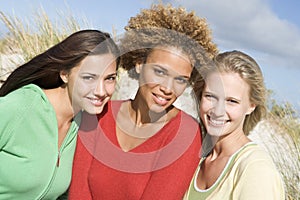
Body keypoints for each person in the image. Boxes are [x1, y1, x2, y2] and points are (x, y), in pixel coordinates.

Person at [69, 4, 218, 200]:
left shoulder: (184, 135)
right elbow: (79, 192)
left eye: (180, 79)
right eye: (160, 72)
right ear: (139, 64)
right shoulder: (99, 113)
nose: (168, 88)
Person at [0, 29, 120, 199]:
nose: (101, 91)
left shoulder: (83, 126)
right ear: (65, 74)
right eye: (89, 78)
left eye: (109, 78)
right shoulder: (20, 107)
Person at [183, 50, 285, 199]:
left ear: (251, 106)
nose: (218, 111)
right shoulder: (197, 159)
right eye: (210, 96)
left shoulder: (255, 168)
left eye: (232, 101)